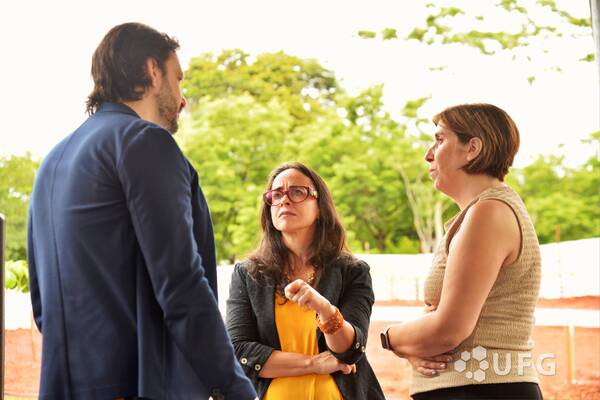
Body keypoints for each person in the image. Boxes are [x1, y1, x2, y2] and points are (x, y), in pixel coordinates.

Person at [27, 22, 256, 400]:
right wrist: (235, 389)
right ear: (152, 71)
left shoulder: (51, 163)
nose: (182, 99)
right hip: (139, 386)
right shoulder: (145, 142)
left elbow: (42, 307)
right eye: (178, 79)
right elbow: (181, 285)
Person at [380, 103, 543, 399]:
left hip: (481, 390)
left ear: (473, 149)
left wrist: (390, 337)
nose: (428, 154)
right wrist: (415, 342)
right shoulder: (481, 213)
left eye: (440, 140)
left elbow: (448, 330)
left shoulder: (489, 213)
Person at [226, 162, 386, 399]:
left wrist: (324, 309)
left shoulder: (352, 271)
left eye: (297, 192)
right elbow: (239, 352)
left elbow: (350, 351)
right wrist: (313, 364)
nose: (284, 200)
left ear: (320, 207)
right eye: (276, 194)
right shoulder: (248, 274)